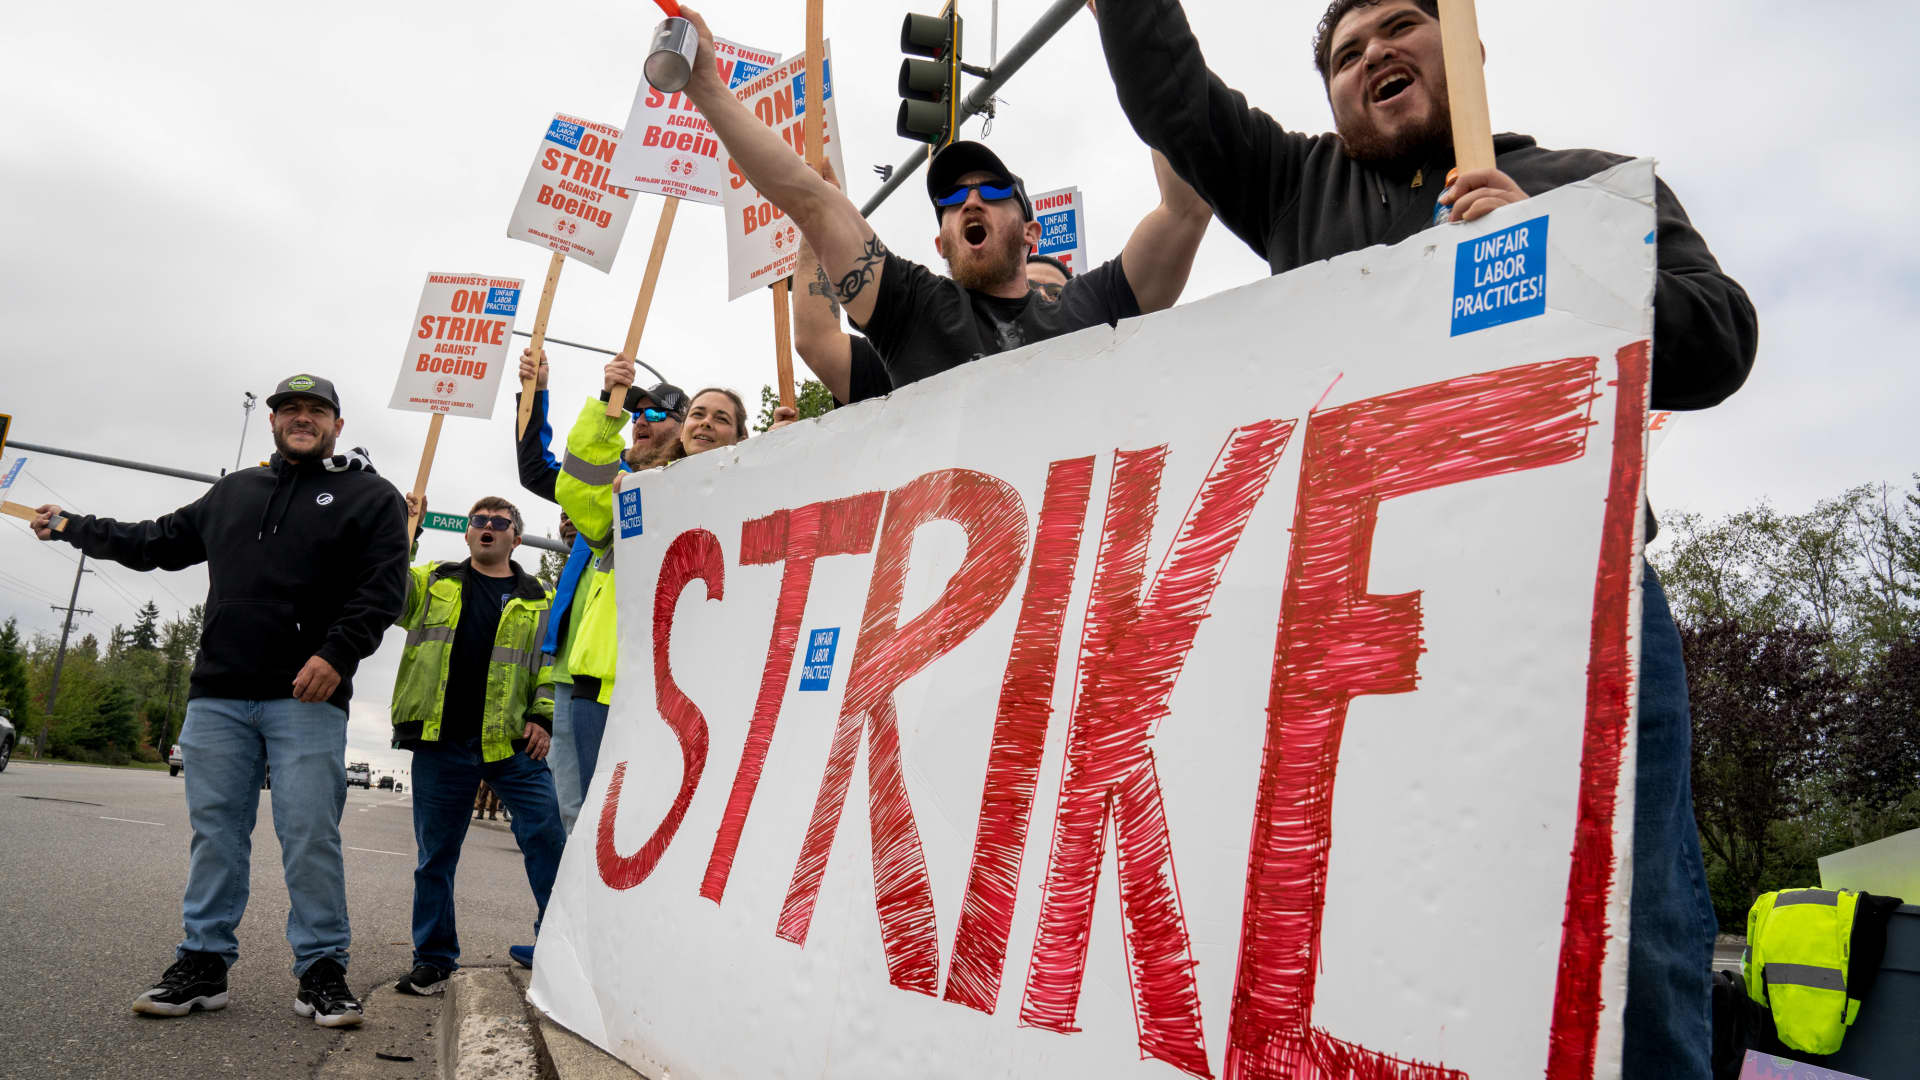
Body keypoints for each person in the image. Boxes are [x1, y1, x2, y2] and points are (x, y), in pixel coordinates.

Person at [1090, 1, 1758, 1074]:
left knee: (1633, 941)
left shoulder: (1588, 186)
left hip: (1577, 620)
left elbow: (1722, 341)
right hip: (1363, 642)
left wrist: (1558, 263)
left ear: (1464, 49)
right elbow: (1172, 96)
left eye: (1400, 27)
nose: (1372, 59)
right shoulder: (1297, 189)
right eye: (1345, 55)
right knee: (1377, 939)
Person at [32, 373, 408, 1028]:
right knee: (216, 835)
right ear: (272, 422)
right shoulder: (233, 492)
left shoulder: (370, 498)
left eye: (315, 410)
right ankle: (203, 964)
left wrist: (337, 654)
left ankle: (321, 970)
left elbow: (381, 591)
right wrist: (70, 526)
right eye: (288, 409)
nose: (301, 418)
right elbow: (152, 542)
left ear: (337, 426)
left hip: (307, 697)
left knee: (309, 835)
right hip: (219, 696)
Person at [678, 7, 1212, 392]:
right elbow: (811, 202)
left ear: (1032, 232)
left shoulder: (1092, 306)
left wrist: (1125, 17)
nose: (971, 199)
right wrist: (705, 85)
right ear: (941, 241)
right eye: (952, 198)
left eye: (995, 189)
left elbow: (1186, 204)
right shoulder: (915, 310)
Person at [388, 495, 566, 990]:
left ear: (516, 535)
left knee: (548, 839)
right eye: (479, 521)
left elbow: (550, 668)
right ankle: (434, 958)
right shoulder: (433, 580)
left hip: (511, 744)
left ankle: (556, 947)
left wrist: (543, 719)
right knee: (436, 856)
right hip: (441, 740)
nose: (488, 527)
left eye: (499, 522)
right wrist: (406, 536)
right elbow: (389, 596)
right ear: (468, 534)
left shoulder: (539, 599)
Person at [555, 357, 750, 801]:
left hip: (695, 695)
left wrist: (788, 446)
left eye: (721, 418)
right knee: (595, 834)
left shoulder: (757, 493)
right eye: (698, 413)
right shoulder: (636, 490)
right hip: (608, 690)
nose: (706, 424)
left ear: (740, 436)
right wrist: (608, 406)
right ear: (683, 430)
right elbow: (578, 488)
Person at [515, 349, 689, 830]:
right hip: (575, 669)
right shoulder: (606, 482)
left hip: (628, 673)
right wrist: (537, 393)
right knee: (572, 814)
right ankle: (570, 908)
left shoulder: (683, 484)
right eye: (636, 413)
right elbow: (536, 471)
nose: (642, 421)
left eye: (658, 412)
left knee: (617, 818)